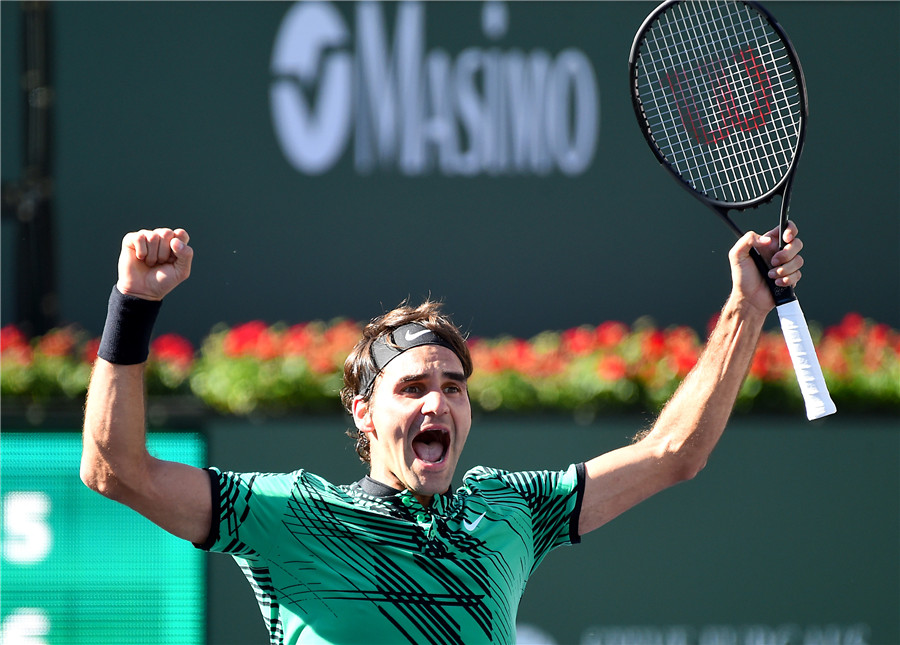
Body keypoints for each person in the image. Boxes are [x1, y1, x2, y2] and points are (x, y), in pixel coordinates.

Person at [81, 223, 805, 644]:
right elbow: (114, 468)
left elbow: (673, 453)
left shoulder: (513, 510)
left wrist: (746, 306)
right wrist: (135, 303)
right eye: (413, 387)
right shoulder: (288, 515)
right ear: (363, 413)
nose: (439, 402)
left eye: (453, 388)